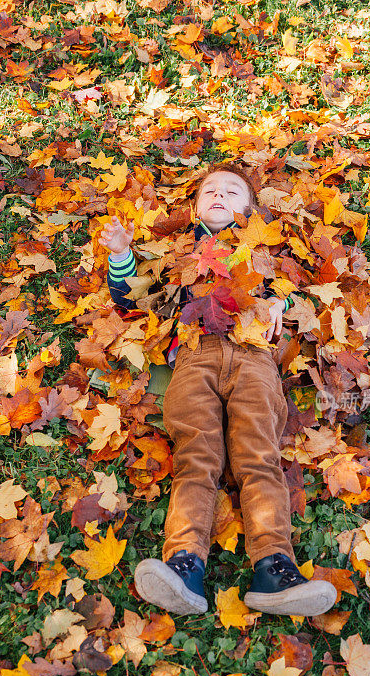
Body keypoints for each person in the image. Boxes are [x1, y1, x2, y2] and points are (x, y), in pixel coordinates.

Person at [99, 164, 336, 617]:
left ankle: (274, 566)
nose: (220, 195)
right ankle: (184, 564)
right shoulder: (176, 254)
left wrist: (275, 303)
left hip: (254, 358)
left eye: (232, 192)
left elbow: (302, 295)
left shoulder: (262, 253)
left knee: (259, 457)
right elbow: (133, 301)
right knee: (197, 457)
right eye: (211, 190)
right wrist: (122, 253)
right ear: (194, 207)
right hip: (194, 356)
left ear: (250, 211)